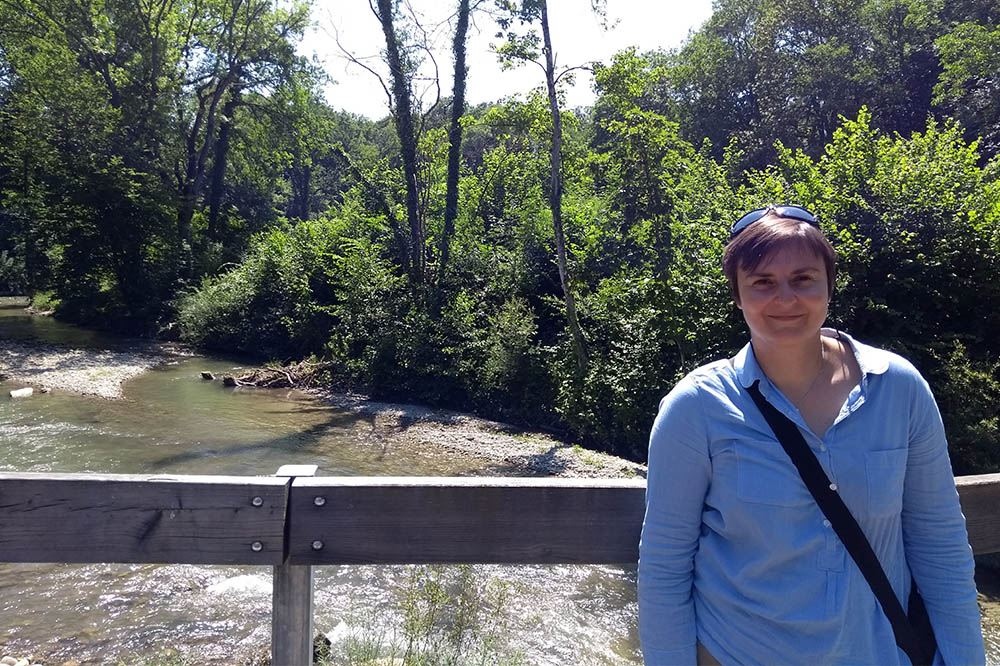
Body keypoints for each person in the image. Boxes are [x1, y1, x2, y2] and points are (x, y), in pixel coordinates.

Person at [637, 205, 985, 665]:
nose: (785, 298)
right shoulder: (697, 407)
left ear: (828, 284)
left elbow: (939, 546)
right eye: (762, 282)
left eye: (803, 278)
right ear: (737, 295)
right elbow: (664, 566)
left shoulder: (898, 388)